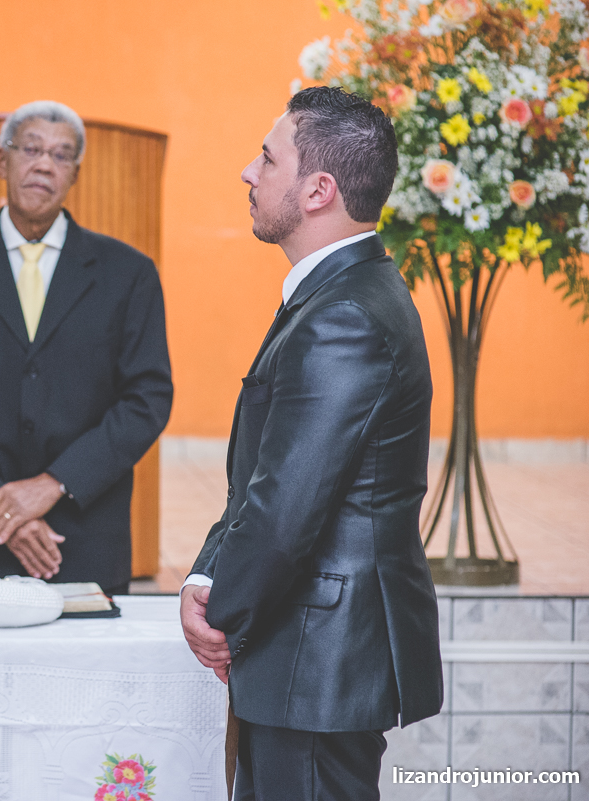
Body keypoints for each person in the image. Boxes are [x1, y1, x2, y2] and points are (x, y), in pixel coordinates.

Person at [179, 86, 443, 801]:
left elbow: (288, 505)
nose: (248, 172)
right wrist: (205, 576)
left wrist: (218, 607)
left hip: (317, 656)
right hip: (308, 652)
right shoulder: (338, 293)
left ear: (319, 189)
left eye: (268, 158)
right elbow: (264, 476)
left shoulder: (345, 313)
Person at [0, 100, 172, 596]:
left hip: (83, 531)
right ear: (1, 161)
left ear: (75, 174)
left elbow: (146, 400)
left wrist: (52, 485)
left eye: (61, 155)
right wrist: (2, 506)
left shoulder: (128, 273)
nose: (44, 163)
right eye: (30, 148)